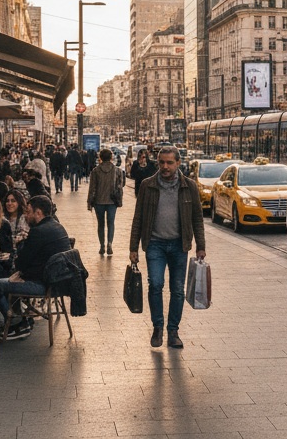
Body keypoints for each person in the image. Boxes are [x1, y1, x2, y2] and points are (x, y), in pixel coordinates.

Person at [129, 145, 205, 350]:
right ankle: (158, 327)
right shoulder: (147, 185)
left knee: (177, 290)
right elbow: (138, 218)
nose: (165, 166)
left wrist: (201, 246)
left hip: (180, 245)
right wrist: (133, 247)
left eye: (170, 162)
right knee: (155, 284)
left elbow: (197, 217)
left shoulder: (189, 186)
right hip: (154, 244)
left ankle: (173, 331)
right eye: (161, 162)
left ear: (178, 163)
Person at [0, 195, 71, 340]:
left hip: (44, 286)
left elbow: (21, 264)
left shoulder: (38, 231)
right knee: (14, 279)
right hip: (58, 284)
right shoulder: (57, 226)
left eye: (28, 212)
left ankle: (17, 322)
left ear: (38, 213)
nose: (25, 215)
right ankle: (22, 319)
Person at [88, 148, 124, 256]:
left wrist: (89, 203)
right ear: (111, 157)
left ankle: (102, 246)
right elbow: (120, 186)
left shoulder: (95, 171)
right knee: (111, 223)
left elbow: (92, 188)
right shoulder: (117, 171)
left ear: (100, 158)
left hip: (98, 201)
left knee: (100, 225)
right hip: (112, 202)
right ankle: (109, 244)